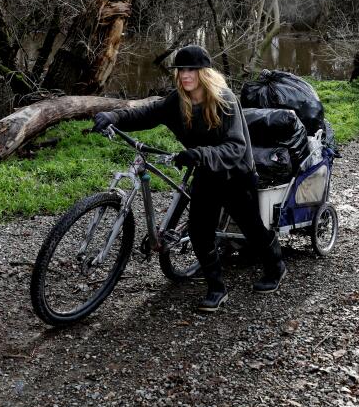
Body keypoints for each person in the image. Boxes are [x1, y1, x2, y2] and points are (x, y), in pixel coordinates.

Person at [92, 45, 284, 313]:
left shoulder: (224, 100)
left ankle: (276, 266)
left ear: (203, 72)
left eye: (191, 69)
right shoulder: (178, 100)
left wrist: (198, 153)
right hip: (207, 172)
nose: (185, 75)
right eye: (181, 70)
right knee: (199, 231)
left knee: (250, 227)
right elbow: (147, 113)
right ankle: (217, 289)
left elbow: (237, 147)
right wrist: (113, 116)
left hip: (236, 173)